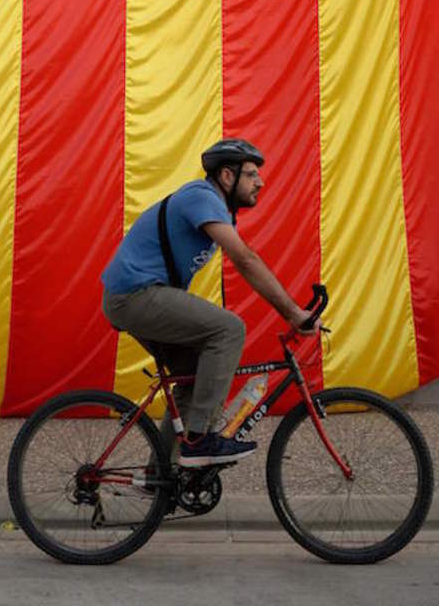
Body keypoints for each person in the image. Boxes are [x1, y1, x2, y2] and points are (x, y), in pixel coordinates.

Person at [101, 138, 317, 468]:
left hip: (134, 296)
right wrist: (292, 313)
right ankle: (200, 441)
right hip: (134, 294)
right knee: (229, 329)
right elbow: (244, 259)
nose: (260, 181)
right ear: (227, 176)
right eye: (251, 174)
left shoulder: (214, 207)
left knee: (192, 373)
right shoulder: (200, 197)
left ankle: (158, 478)